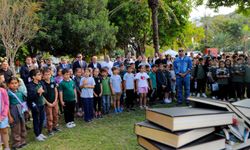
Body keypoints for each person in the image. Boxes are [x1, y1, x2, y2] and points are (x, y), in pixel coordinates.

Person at [27, 69, 47, 141]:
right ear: (33, 77)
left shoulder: (41, 82)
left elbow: (45, 91)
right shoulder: (30, 85)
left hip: (42, 103)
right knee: (36, 119)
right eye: (38, 74)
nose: (40, 75)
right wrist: (38, 92)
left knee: (42, 119)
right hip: (35, 105)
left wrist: (42, 91)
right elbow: (30, 97)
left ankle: (40, 132)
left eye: (40, 74)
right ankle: (37, 135)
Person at [7, 77, 27, 149]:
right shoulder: (8, 94)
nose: (14, 85)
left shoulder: (20, 92)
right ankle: (16, 143)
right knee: (16, 127)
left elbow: (23, 102)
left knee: (22, 125)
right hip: (13, 111)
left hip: (21, 111)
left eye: (16, 83)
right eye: (12, 83)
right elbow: (7, 106)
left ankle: (23, 141)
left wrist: (26, 111)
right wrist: (10, 116)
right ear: (8, 85)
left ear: (18, 84)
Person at [42, 68, 60, 136]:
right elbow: (42, 96)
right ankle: (50, 129)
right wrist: (48, 103)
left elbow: (56, 91)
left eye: (48, 74)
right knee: (50, 117)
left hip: (55, 102)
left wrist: (55, 100)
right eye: (45, 75)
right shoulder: (42, 84)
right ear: (43, 76)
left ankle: (55, 127)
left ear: (51, 75)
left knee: (55, 115)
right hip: (48, 103)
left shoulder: (53, 82)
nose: (47, 76)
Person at [0, 85, 10, 150]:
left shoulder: (2, 91)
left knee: (4, 131)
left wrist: (3, 115)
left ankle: (7, 147)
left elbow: (6, 103)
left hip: (3, 115)